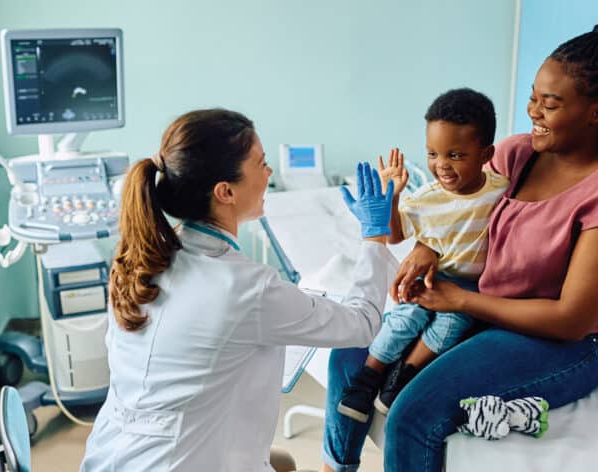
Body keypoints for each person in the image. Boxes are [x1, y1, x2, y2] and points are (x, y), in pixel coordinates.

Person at [320, 19, 598, 472]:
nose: (534, 112)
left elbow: (571, 320)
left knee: (413, 413)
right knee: (349, 353)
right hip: (481, 308)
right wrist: (429, 247)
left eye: (549, 104)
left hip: (563, 340)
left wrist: (461, 300)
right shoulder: (518, 154)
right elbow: (460, 208)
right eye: (533, 97)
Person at [79, 108, 401, 472]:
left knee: (281, 462)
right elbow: (362, 324)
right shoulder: (246, 287)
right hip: (181, 462)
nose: (269, 172)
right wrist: (375, 236)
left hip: (111, 458)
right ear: (226, 191)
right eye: (261, 164)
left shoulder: (138, 262)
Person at [337, 89, 509, 423]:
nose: (441, 165)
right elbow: (395, 234)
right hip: (432, 276)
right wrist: (393, 198)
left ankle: (404, 374)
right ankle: (368, 376)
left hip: (468, 287)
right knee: (406, 317)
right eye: (432, 153)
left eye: (455, 155)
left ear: (485, 154)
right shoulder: (427, 197)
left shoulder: (501, 190)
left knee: (450, 325)